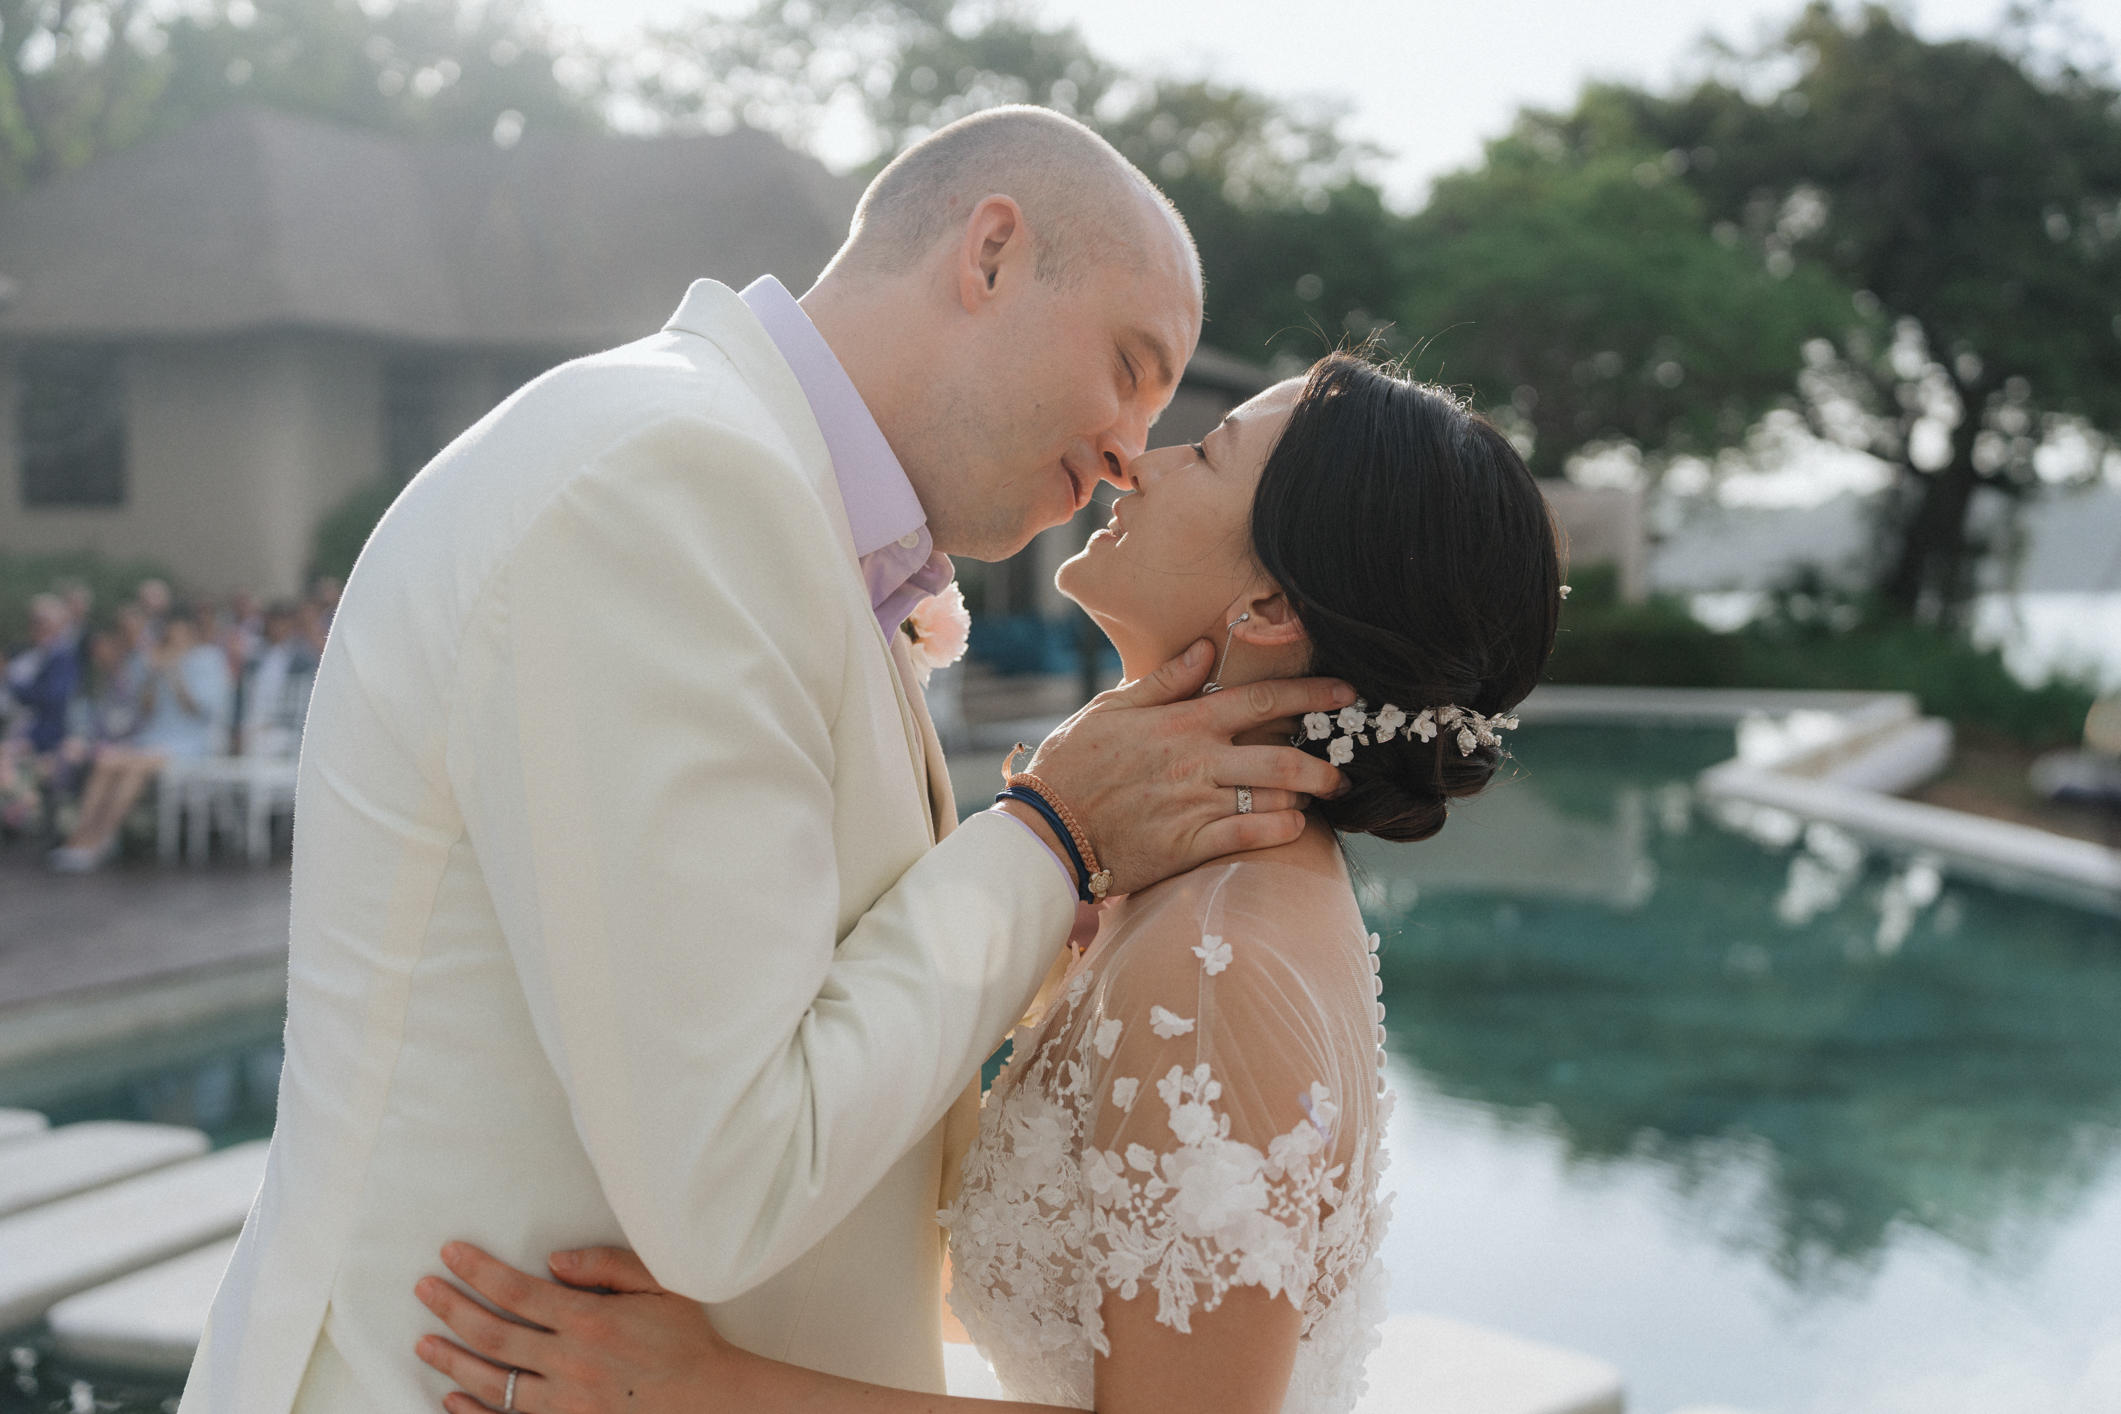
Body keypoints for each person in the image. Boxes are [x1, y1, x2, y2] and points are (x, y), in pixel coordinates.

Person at [180, 105, 1349, 1414]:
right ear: (994, 254)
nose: (1138, 445)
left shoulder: (755, 494)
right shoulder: (667, 477)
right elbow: (727, 1181)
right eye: (1132, 366)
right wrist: (1048, 836)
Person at [408, 352, 1565, 1414]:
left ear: (1267, 608)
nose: (1139, 460)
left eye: (1204, 453)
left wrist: (702, 1389)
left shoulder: (1215, 959)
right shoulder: (1183, 892)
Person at [47, 603, 232, 871]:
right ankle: (80, 836)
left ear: (191, 633)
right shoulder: (154, 658)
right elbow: (145, 710)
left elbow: (200, 711)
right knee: (107, 760)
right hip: (153, 737)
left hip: (189, 743)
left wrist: (174, 672)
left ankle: (101, 839)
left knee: (133, 767)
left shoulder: (207, 659)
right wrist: (153, 676)